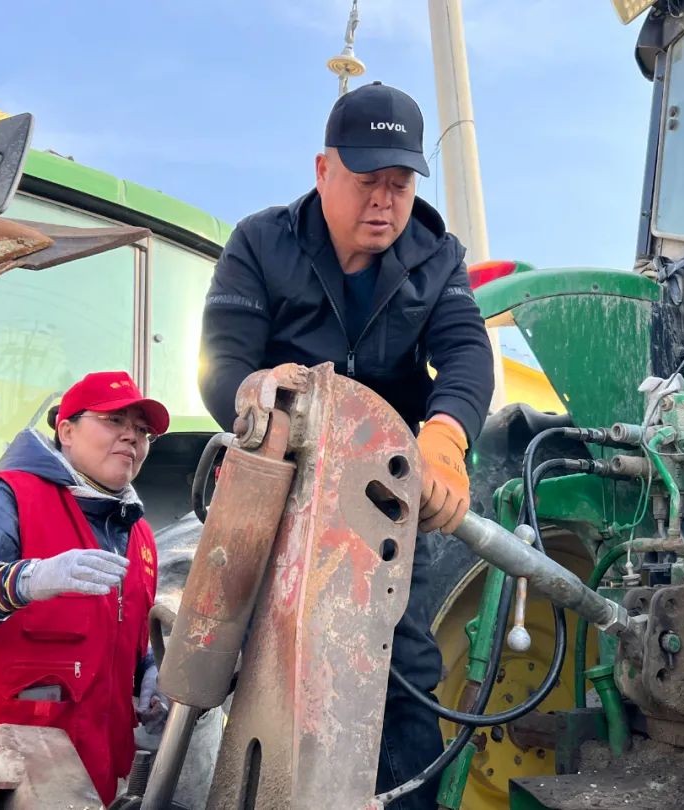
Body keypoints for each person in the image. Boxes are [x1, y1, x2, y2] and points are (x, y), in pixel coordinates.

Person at [198, 81, 495, 807]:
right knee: (243, 657)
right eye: (367, 181)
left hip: (380, 498)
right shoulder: (260, 243)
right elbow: (223, 361)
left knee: (403, 668)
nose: (384, 202)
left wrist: (445, 438)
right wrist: (257, 392)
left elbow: (465, 352)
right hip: (276, 484)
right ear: (323, 169)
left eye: (400, 184)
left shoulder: (437, 257)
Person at [0, 371, 169, 806]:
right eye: (114, 421)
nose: (131, 437)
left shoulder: (142, 538)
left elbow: (114, 633)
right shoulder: (9, 498)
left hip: (76, 784)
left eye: (142, 430)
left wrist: (148, 670)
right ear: (67, 431)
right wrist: (25, 580)